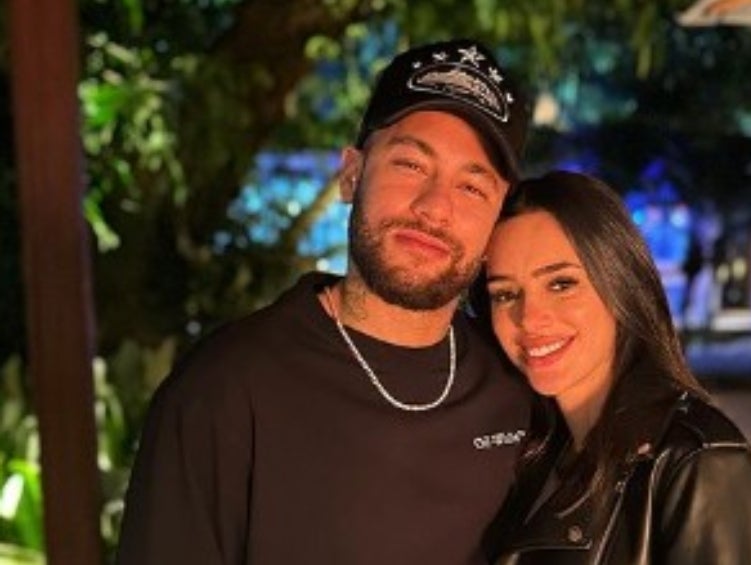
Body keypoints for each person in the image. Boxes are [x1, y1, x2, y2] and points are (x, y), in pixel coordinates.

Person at [116, 39, 534, 565]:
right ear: (351, 175)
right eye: (410, 164)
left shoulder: (521, 384)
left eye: (472, 188)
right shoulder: (223, 392)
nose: (435, 208)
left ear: (498, 218)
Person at [477, 171, 751, 564]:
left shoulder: (703, 467)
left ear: (622, 284)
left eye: (561, 284)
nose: (529, 319)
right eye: (505, 294)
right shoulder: (535, 454)